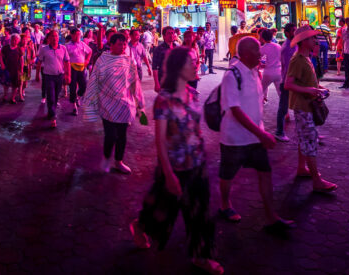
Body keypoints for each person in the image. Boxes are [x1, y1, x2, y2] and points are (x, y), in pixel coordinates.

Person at [130, 48, 222, 275]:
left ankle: (201, 255)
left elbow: (197, 128)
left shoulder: (194, 94)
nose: (196, 64)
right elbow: (160, 140)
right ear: (179, 67)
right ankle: (140, 225)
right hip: (174, 167)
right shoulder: (164, 101)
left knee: (200, 213)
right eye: (192, 61)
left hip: (197, 164)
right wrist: (169, 174)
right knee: (161, 210)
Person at [217, 36, 293, 232]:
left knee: (265, 173)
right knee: (228, 175)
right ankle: (225, 204)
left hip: (256, 137)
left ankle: (270, 216)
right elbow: (235, 110)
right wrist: (262, 134)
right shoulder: (232, 75)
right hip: (234, 138)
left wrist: (261, 132)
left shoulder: (255, 73)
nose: (261, 54)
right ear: (245, 54)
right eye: (257, 51)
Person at [84, 32, 145, 174]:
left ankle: (119, 161)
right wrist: (91, 100)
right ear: (111, 45)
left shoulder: (128, 60)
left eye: (124, 44)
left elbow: (134, 82)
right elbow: (94, 80)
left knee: (122, 135)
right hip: (107, 104)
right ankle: (106, 158)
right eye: (119, 44)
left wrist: (139, 102)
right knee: (111, 135)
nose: (123, 46)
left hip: (125, 104)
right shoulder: (103, 60)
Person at [285, 25, 336, 193]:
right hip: (303, 106)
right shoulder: (298, 60)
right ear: (304, 41)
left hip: (307, 105)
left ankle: (301, 168)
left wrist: (319, 87)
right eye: (313, 38)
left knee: (304, 138)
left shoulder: (306, 58)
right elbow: (288, 84)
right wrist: (310, 90)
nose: (316, 40)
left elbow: (306, 81)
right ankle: (317, 180)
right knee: (310, 140)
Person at [36, 30, 71, 128]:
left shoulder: (63, 48)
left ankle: (51, 112)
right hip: (48, 76)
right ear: (49, 38)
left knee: (55, 97)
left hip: (59, 76)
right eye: (52, 36)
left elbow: (67, 62)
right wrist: (37, 75)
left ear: (58, 37)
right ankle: (53, 118)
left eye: (56, 36)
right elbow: (39, 62)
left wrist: (68, 75)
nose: (54, 38)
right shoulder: (44, 49)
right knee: (51, 96)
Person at [274, 24, 296, 142]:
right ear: (287, 33)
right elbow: (289, 67)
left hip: (290, 80)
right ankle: (279, 131)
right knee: (283, 108)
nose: (295, 32)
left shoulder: (293, 45)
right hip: (288, 81)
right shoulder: (288, 47)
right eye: (293, 31)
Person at [64, 28, 92, 115]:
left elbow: (90, 51)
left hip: (81, 68)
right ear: (72, 35)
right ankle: (74, 106)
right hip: (71, 68)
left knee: (84, 86)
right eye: (76, 34)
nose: (77, 36)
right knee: (72, 88)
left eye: (79, 35)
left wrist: (87, 61)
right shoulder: (67, 46)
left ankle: (78, 97)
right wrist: (65, 71)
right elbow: (64, 59)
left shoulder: (82, 44)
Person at [258, 27, 283, 103]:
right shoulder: (278, 46)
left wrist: (261, 65)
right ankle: (286, 113)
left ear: (262, 38)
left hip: (268, 72)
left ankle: (258, 106)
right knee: (281, 93)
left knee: (260, 90)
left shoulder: (263, 48)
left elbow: (259, 58)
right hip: (278, 71)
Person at [0, 30, 23, 103]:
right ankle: (5, 96)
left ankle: (13, 98)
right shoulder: (5, 48)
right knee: (6, 84)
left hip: (16, 69)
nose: (14, 41)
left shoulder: (19, 49)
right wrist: (2, 64)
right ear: (11, 40)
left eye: (16, 40)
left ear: (18, 41)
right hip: (7, 68)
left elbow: (21, 59)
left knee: (15, 84)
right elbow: (1, 56)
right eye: (13, 39)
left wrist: (21, 69)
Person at [151, 26, 177, 93]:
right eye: (169, 33)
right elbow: (155, 68)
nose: (171, 35)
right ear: (164, 36)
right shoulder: (158, 49)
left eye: (172, 33)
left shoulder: (177, 47)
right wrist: (156, 83)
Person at [19, 32, 35, 102]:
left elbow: (33, 56)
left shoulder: (29, 48)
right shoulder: (19, 48)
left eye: (26, 40)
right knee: (21, 81)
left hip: (27, 66)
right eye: (23, 40)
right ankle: (20, 94)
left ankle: (22, 90)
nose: (25, 41)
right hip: (20, 67)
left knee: (25, 82)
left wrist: (32, 61)